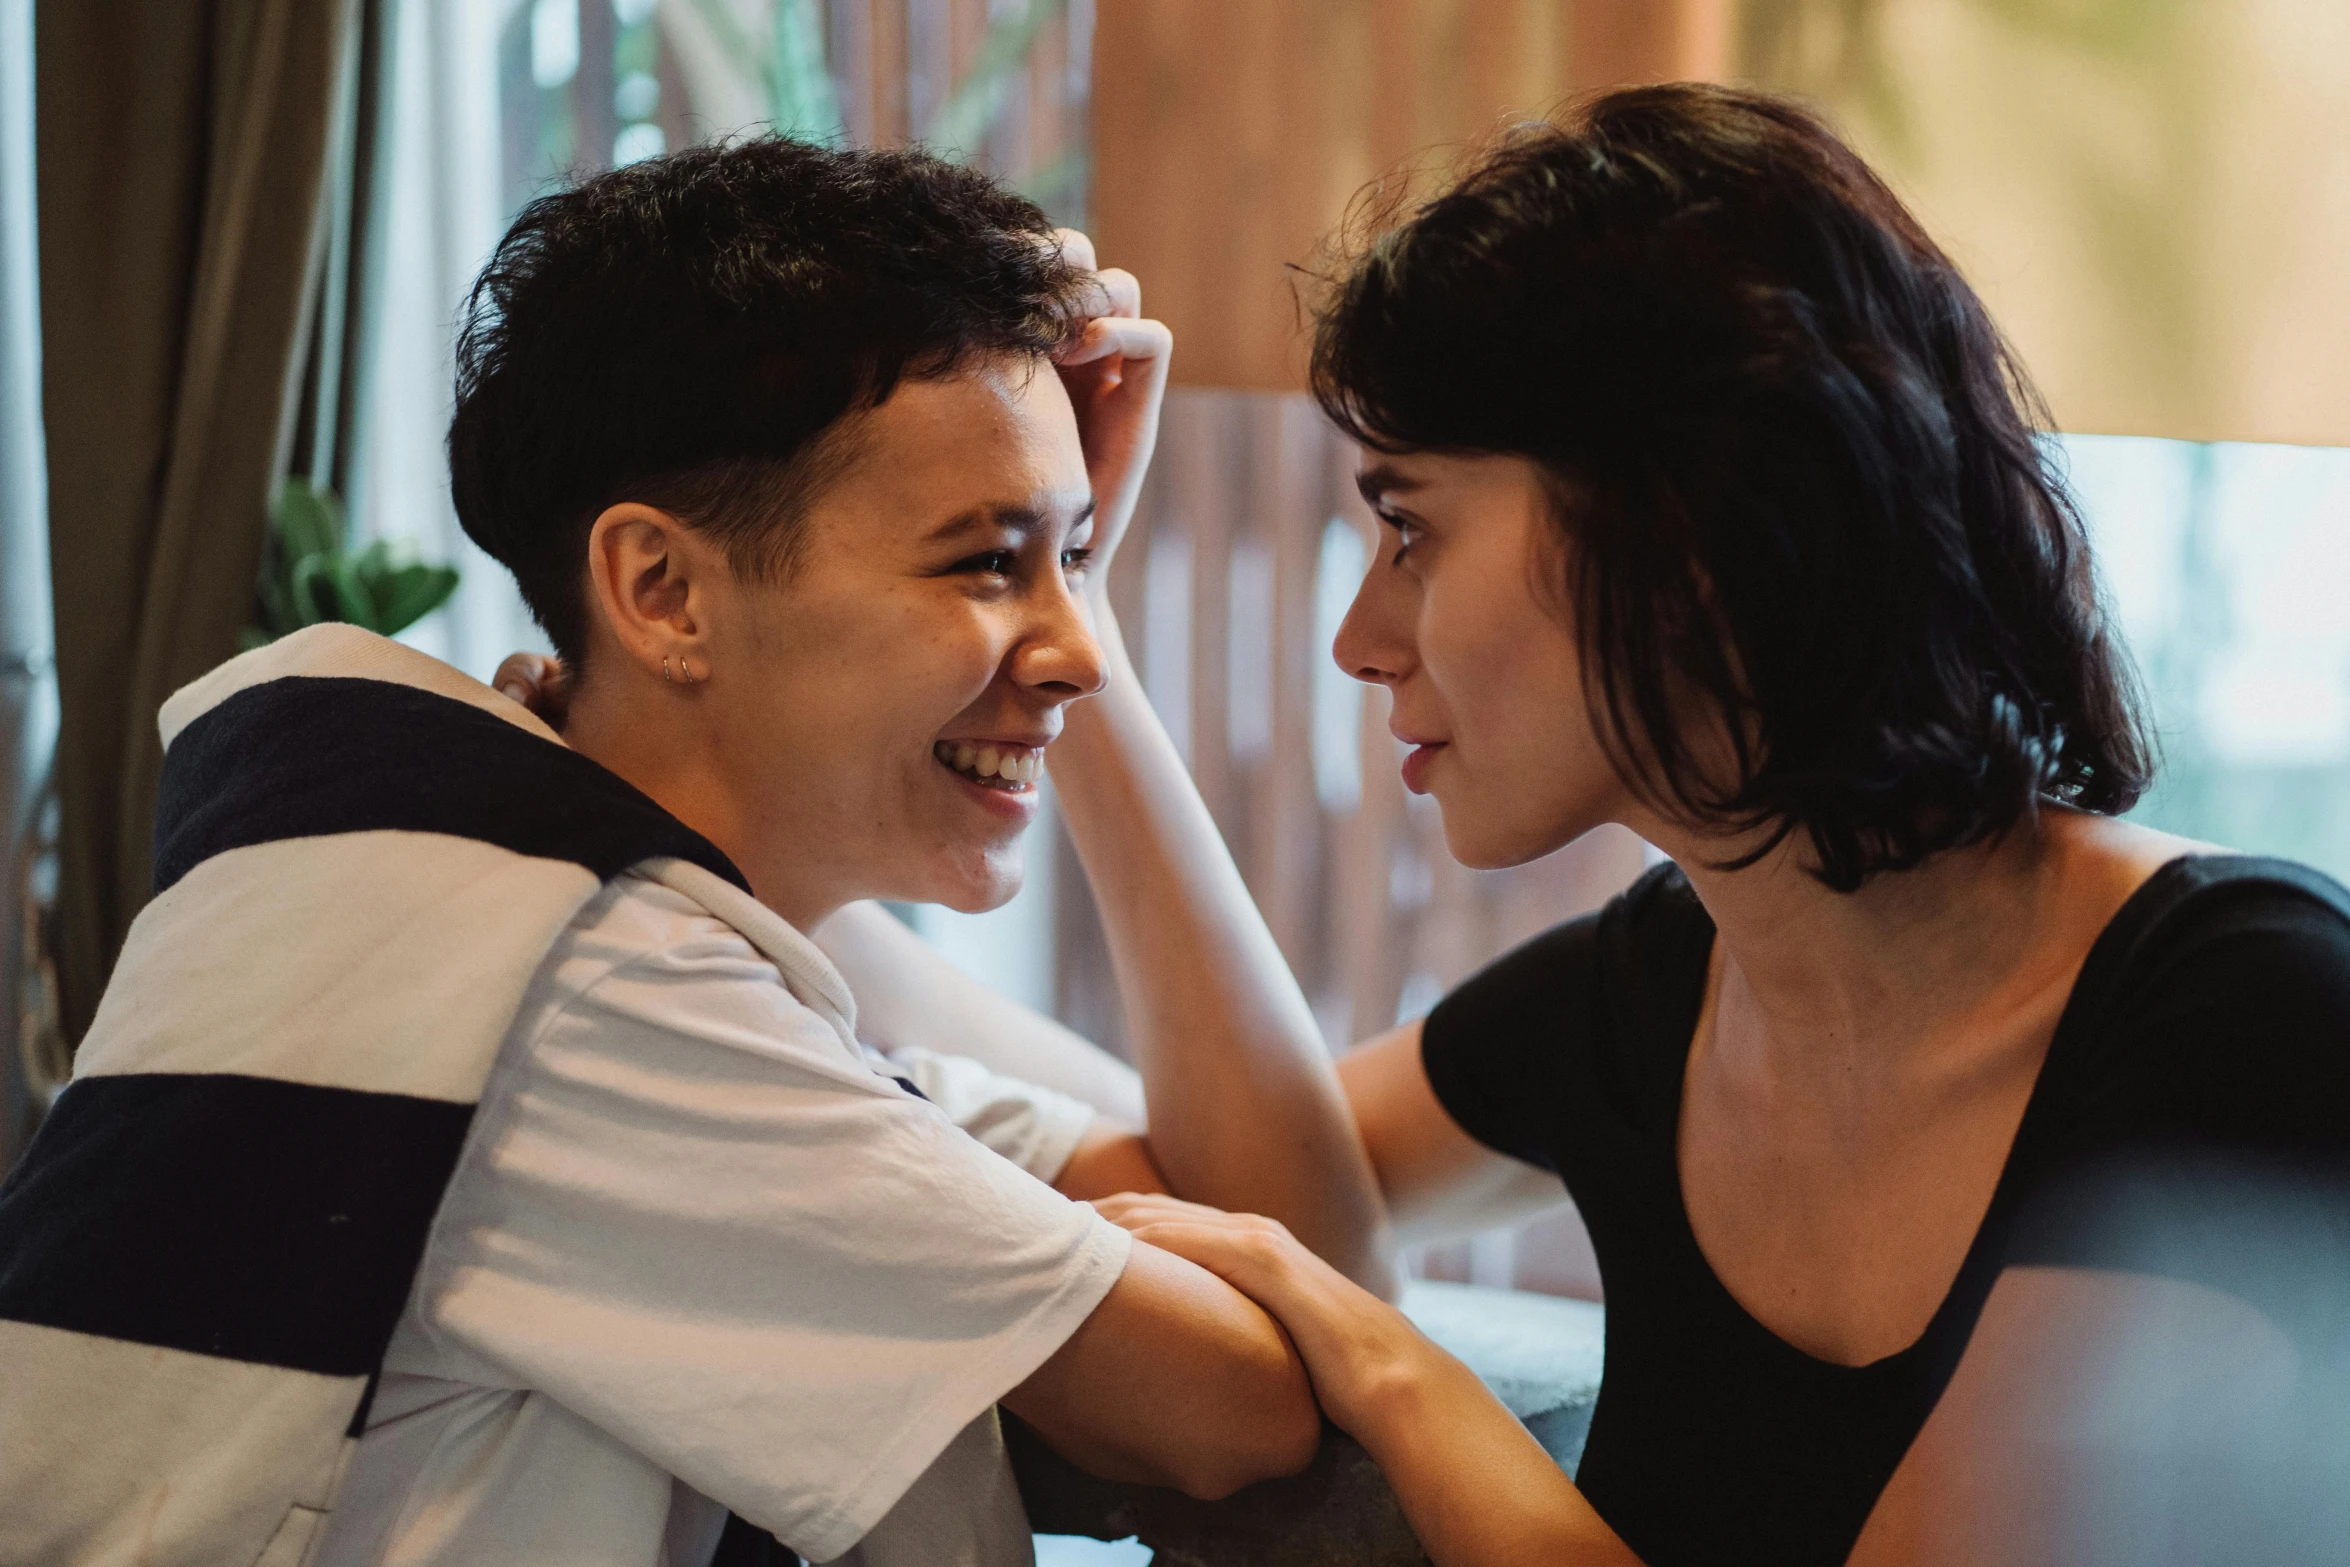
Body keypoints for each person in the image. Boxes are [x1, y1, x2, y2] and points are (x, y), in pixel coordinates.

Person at [732, 86, 2350, 1565]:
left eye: (1409, 531)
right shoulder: (1667, 981)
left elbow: (1303, 1262)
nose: (1362, 637)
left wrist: (1394, 1368)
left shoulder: (2243, 1013)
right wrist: (800, 870)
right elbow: (1249, 1175)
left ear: (1683, 522)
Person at [0, 140, 1327, 1567]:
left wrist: (1075, 598)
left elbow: (1267, 1209)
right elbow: (1244, 1406)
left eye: (1076, 557)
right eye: (984, 561)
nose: (1071, 656)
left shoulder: (537, 895)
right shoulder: (567, 986)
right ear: (662, 590)